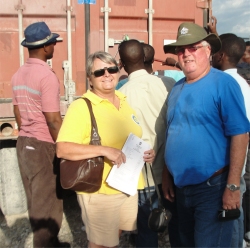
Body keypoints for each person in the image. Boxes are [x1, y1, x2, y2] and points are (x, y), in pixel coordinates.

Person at [56, 51, 155, 248]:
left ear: (119, 71)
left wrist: (145, 153)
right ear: (90, 79)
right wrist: (104, 150)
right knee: (100, 244)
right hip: (100, 191)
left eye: (111, 69)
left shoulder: (123, 100)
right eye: (99, 71)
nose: (107, 74)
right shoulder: (81, 107)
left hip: (127, 185)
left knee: (114, 238)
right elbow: (62, 149)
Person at [163, 22, 249, 247]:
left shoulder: (224, 84)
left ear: (209, 50)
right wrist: (166, 175)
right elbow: (171, 134)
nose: (186, 54)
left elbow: (240, 134)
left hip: (213, 188)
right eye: (181, 50)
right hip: (182, 189)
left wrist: (232, 186)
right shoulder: (177, 88)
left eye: (193, 48)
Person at [11, 22, 66, 247]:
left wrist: (29, 131)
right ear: (45, 47)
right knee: (48, 208)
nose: (54, 45)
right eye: (52, 42)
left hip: (24, 143)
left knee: (35, 201)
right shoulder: (46, 76)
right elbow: (53, 120)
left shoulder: (18, 74)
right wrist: (63, 147)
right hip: (43, 145)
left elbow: (17, 112)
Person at [118, 40, 175, 247]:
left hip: (143, 175)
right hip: (170, 169)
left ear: (122, 65)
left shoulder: (121, 95)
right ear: (144, 58)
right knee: (176, 225)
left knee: (147, 228)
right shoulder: (167, 83)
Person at [212, 34, 250, 247]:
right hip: (233, 166)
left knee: (232, 217)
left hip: (230, 168)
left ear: (221, 55)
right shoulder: (242, 83)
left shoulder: (228, 84)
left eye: (213, 52)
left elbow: (243, 133)